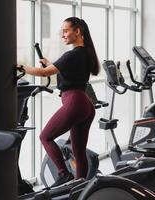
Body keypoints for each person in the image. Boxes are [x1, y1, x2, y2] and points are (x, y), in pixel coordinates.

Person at [17, 17, 100, 187]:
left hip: (75, 102)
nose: (62, 35)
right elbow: (63, 71)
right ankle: (80, 187)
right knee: (78, 152)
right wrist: (49, 63)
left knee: (45, 137)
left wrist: (20, 67)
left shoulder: (72, 54)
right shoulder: (84, 53)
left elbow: (43, 73)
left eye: (65, 30)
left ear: (77, 31)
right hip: (85, 104)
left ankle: (64, 175)